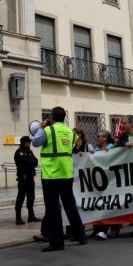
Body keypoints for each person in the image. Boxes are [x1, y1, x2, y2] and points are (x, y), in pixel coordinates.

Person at [32, 106, 88, 252]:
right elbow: (79, 144)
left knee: (53, 208)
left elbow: (35, 142)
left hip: (51, 174)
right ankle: (81, 236)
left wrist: (41, 127)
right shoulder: (69, 131)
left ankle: (57, 242)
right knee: (70, 205)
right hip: (66, 173)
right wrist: (70, 150)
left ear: (51, 117)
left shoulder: (48, 130)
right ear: (64, 117)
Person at [14, 136, 40, 225]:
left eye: (29, 142)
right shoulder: (19, 152)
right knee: (21, 197)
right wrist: (30, 162)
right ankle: (18, 218)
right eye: (27, 142)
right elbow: (27, 162)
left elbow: (36, 162)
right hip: (23, 178)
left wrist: (30, 162)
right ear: (23, 143)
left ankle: (31, 216)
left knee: (31, 197)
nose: (29, 144)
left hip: (30, 178)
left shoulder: (29, 151)